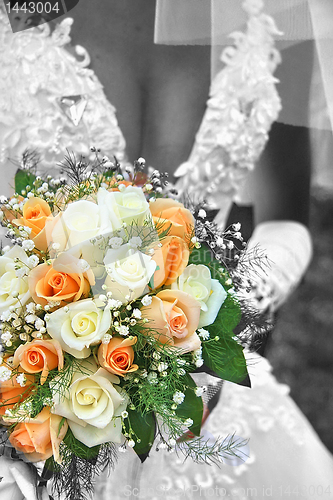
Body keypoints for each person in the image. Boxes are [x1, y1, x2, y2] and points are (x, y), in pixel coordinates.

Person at [0, 1, 332, 499]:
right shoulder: (19, 12)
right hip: (28, 401)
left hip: (205, 404)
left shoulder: (277, 11)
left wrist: (224, 322)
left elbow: (286, 219)